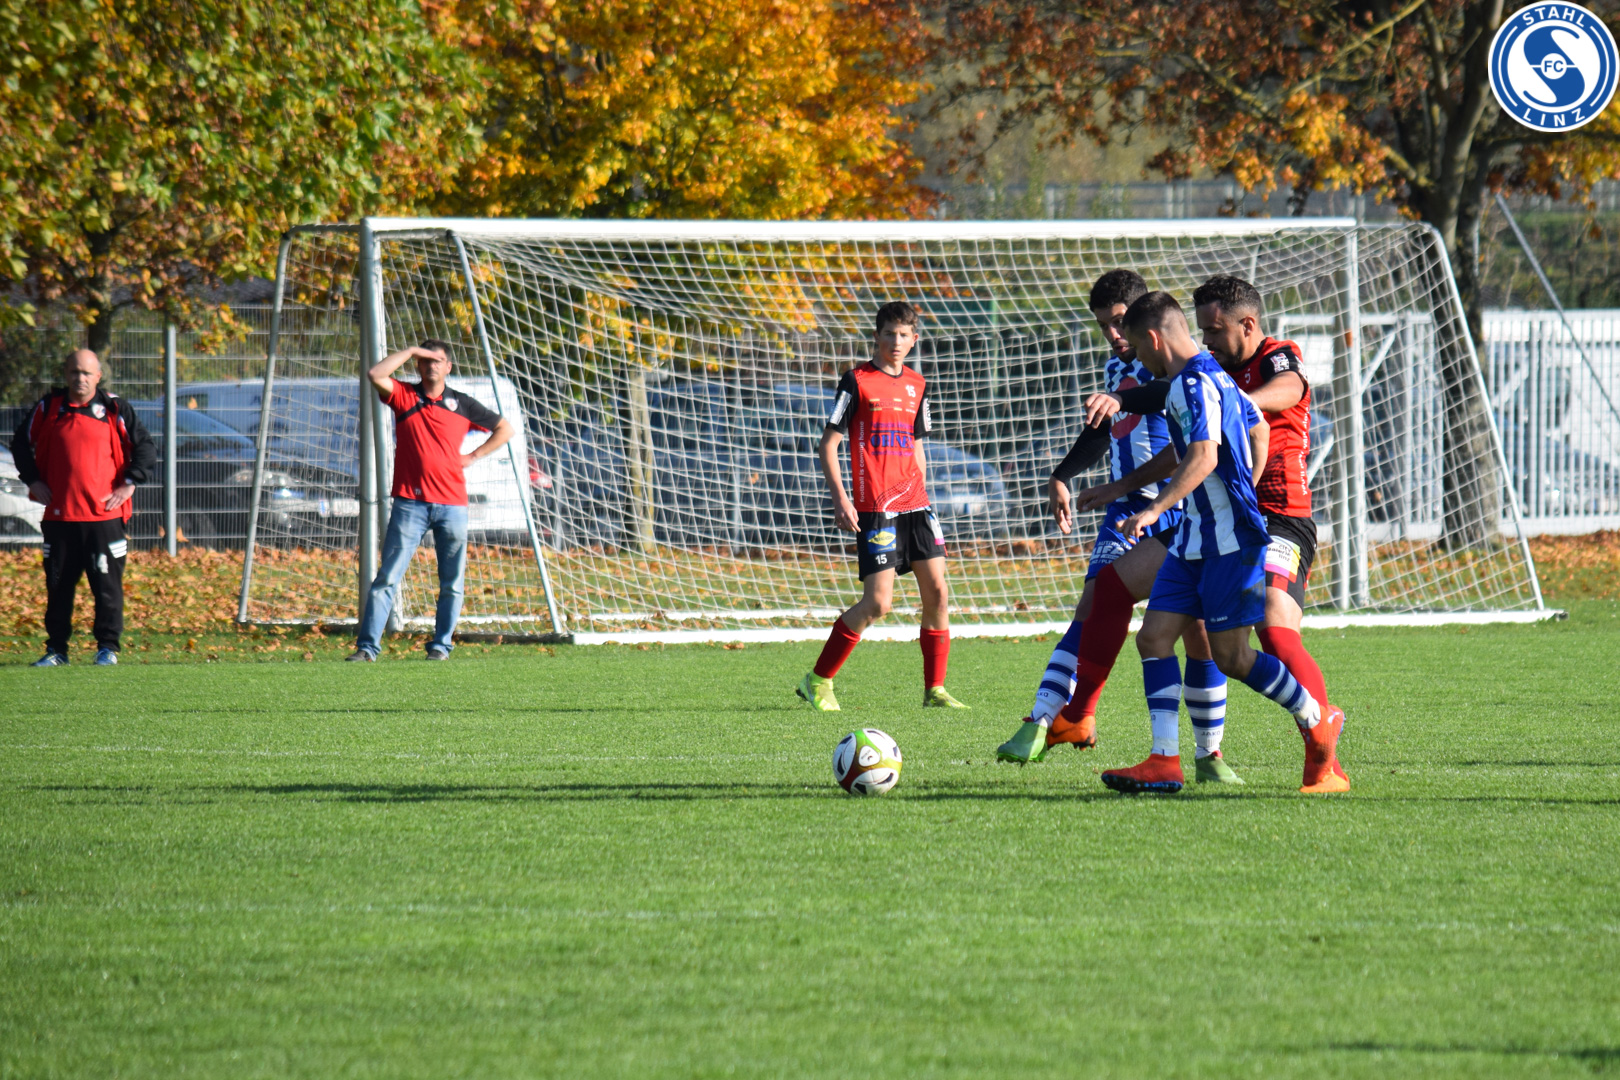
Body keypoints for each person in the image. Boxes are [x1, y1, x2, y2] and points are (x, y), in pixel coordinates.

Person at [1078, 275, 1349, 793]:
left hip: (1255, 527)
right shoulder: (1206, 377)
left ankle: (1318, 724)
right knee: (1152, 635)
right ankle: (1162, 759)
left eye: (1214, 330)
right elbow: (1239, 431)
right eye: (1201, 330)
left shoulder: (1240, 369)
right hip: (1195, 532)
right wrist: (1127, 487)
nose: (1207, 339)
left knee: (1248, 645)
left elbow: (1215, 447)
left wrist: (1158, 506)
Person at [994, 272, 1239, 783]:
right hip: (1125, 510)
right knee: (1096, 601)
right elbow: (1104, 429)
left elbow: (1170, 407)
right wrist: (1064, 474)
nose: (1113, 334)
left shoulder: (1178, 369)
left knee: (1197, 634)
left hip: (1175, 507)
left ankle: (1208, 753)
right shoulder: (1119, 366)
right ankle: (1050, 718)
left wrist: (1124, 409)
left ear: (1146, 319)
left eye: (1120, 322)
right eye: (1103, 325)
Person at [794, 301, 968, 711]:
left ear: (914, 339)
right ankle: (817, 680)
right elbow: (829, 444)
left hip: (917, 503)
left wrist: (924, 496)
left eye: (904, 334)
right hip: (876, 505)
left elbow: (917, 444)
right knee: (878, 604)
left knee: (938, 592)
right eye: (889, 333)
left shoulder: (918, 384)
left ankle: (935, 690)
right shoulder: (856, 381)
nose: (896, 341)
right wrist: (841, 499)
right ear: (876, 336)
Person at [348, 340, 515, 662]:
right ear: (418, 365)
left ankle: (440, 647)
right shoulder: (404, 395)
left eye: (438, 360)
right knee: (387, 579)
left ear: (448, 367)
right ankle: (367, 649)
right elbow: (375, 374)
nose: (432, 365)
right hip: (410, 504)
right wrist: (412, 350)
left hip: (453, 506)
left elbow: (504, 429)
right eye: (426, 360)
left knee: (451, 583)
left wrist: (473, 456)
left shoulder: (462, 403)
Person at [11, 348, 157, 666]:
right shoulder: (49, 407)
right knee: (58, 587)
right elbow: (20, 443)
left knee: (106, 587)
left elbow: (145, 447)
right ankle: (56, 650)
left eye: (87, 373)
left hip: (105, 517)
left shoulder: (115, 408)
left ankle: (107, 648)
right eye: (75, 372)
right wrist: (33, 480)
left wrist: (129, 483)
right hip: (60, 516)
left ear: (98, 376)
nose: (80, 378)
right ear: (66, 374)